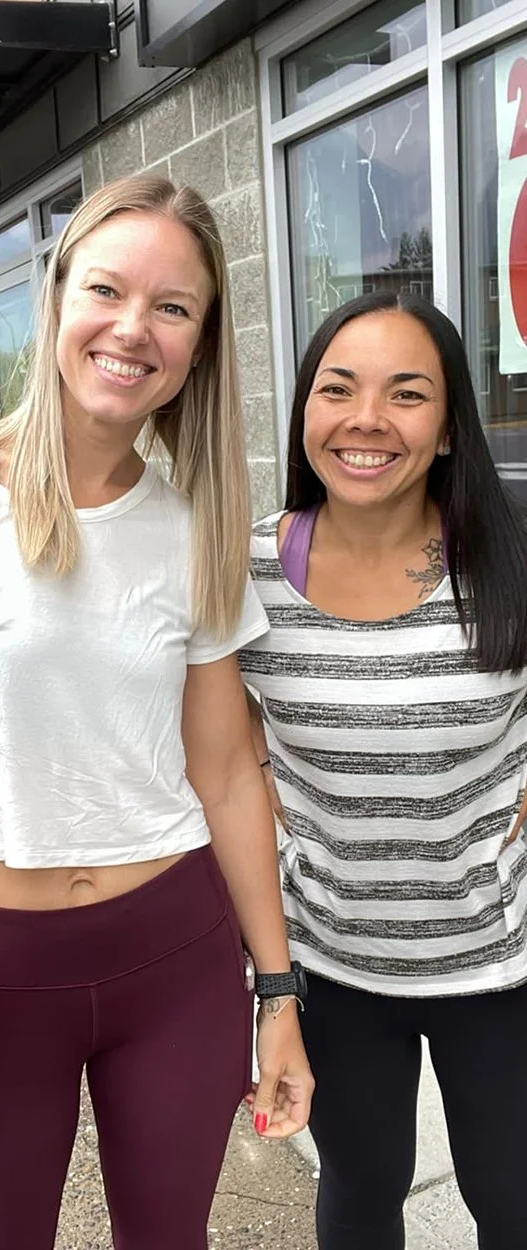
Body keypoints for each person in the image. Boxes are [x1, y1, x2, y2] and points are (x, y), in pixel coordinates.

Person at [0, 174, 313, 1250]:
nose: (134, 328)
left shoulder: (191, 529)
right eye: (108, 289)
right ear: (55, 295)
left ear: (201, 345)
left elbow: (225, 773)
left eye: (173, 307)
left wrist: (277, 990)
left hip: (174, 955)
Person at [239, 291, 527, 1250]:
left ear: (447, 430)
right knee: (360, 1203)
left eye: (407, 394)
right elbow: (224, 773)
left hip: (500, 965)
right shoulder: (249, 575)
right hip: (335, 967)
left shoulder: (507, 564)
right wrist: (269, 989)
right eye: (338, 389)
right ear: (305, 411)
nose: (366, 420)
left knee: (515, 1203)